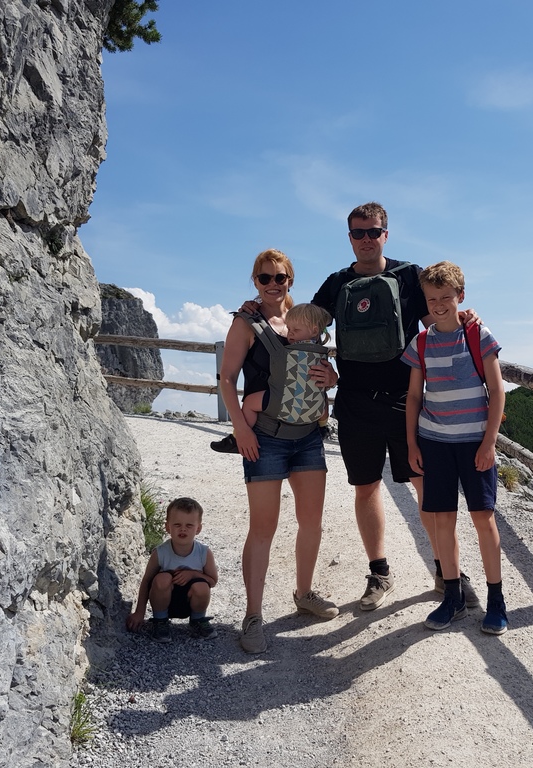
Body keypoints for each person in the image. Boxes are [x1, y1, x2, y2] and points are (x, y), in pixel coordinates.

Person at [310, 202, 480, 611]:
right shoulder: (335, 284)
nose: (366, 239)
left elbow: (439, 324)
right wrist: (254, 314)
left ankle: (447, 571)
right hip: (353, 399)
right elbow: (301, 328)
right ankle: (379, 573)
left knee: (426, 488)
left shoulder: (408, 276)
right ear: (349, 237)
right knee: (365, 487)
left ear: (387, 234)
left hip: (408, 402)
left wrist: (466, 317)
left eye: (374, 232)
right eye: (358, 233)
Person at [218, 249, 339, 654]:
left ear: (291, 280)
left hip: (307, 435)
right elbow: (227, 379)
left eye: (280, 278)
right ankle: (253, 616)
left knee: (312, 522)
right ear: (254, 281)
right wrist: (240, 430)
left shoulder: (303, 320)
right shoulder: (246, 321)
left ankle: (304, 593)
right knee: (263, 528)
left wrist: (331, 377)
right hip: (265, 437)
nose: (273, 285)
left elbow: (322, 372)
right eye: (265, 278)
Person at [402, 261, 509, 634]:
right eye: (432, 298)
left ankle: (496, 601)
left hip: (474, 442)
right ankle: (453, 597)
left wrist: (489, 442)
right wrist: (412, 443)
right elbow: (415, 396)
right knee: (442, 519)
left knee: (483, 518)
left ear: (460, 296)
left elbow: (497, 391)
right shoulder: (421, 341)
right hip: (434, 442)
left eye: (446, 297)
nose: (439, 304)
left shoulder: (478, 335)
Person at [210, 302, 333, 454]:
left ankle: (237, 436)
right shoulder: (319, 347)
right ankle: (323, 427)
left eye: (295, 330)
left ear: (314, 329)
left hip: (282, 396)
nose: (290, 334)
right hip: (311, 401)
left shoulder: (288, 348)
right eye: (289, 329)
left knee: (249, 402)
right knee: (323, 402)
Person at [126, 497, 220, 642]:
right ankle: (160, 621)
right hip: (164, 601)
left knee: (202, 586)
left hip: (189, 602)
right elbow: (146, 581)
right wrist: (140, 612)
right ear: (167, 527)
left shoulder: (204, 553)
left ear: (198, 529)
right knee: (162, 579)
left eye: (189, 525)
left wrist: (193, 574)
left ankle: (198, 620)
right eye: (177, 525)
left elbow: (212, 581)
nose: (183, 529)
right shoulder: (160, 553)